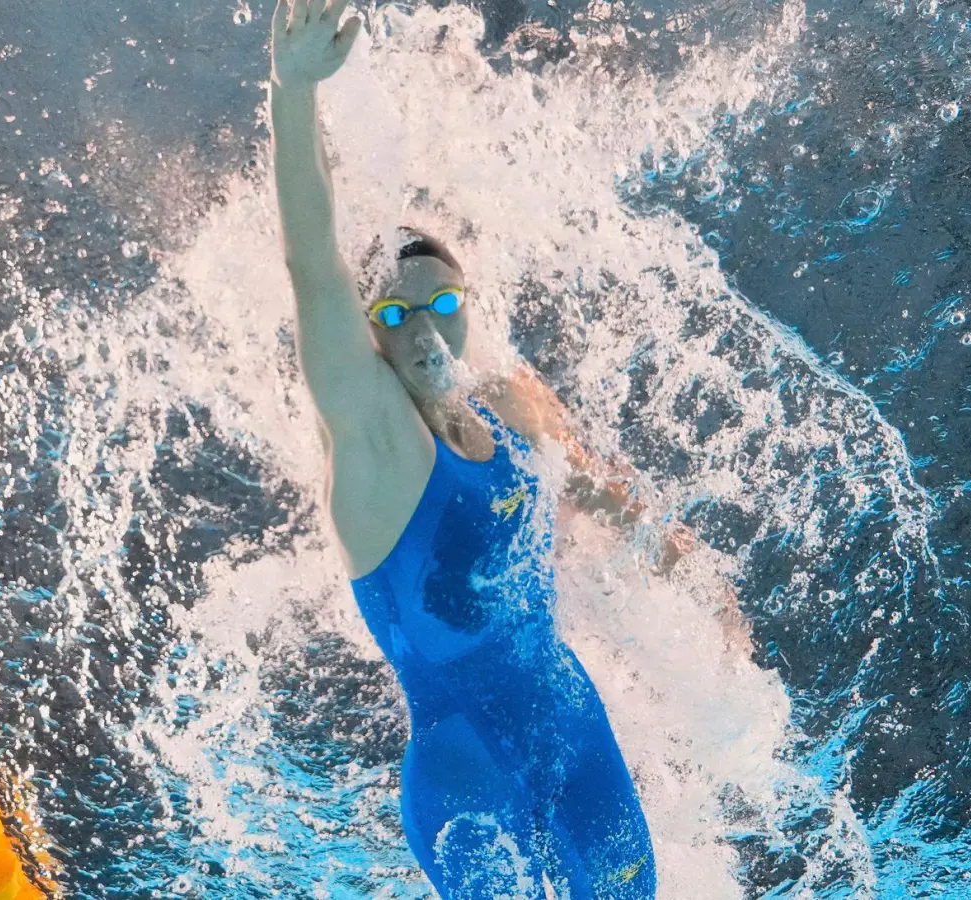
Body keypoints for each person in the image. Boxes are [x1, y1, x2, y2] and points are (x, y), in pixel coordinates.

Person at [269, 2, 698, 895]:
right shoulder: (375, 441)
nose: (424, 330)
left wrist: (684, 575)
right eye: (393, 312)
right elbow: (313, 265)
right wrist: (294, 93)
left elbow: (599, 491)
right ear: (369, 334)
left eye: (443, 305)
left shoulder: (508, 404)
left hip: (576, 734)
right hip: (467, 779)